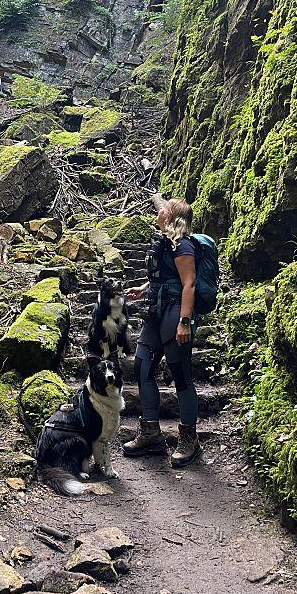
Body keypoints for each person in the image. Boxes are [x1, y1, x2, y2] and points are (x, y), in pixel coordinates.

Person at [123, 196, 201, 467]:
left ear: (171, 217)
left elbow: (188, 284)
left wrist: (185, 322)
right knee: (142, 366)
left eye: (164, 208)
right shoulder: (165, 243)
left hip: (175, 312)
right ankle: (151, 433)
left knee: (180, 374)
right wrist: (143, 289)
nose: (160, 210)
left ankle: (190, 439)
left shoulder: (184, 246)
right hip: (156, 311)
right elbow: (163, 276)